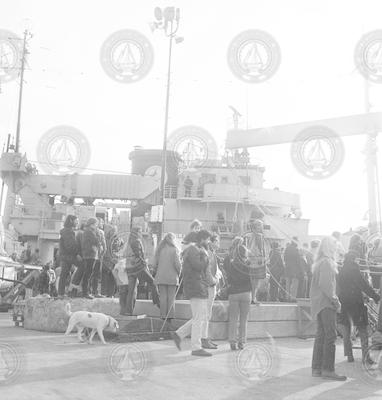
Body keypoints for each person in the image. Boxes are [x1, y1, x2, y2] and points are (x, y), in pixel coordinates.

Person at [337, 234, 380, 364]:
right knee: (362, 329)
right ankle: (366, 356)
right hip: (356, 302)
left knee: (347, 329)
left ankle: (349, 355)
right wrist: (376, 296)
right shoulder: (354, 269)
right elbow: (362, 284)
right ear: (354, 259)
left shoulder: (342, 269)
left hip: (345, 302)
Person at [310, 236, 346, 381]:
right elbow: (327, 285)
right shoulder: (327, 262)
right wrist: (336, 301)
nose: (336, 248)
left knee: (321, 336)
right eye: (334, 245)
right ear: (329, 247)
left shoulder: (320, 261)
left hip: (319, 303)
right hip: (326, 303)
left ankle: (317, 368)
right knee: (330, 336)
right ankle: (328, 369)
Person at [172, 230, 212, 357]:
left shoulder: (193, 250)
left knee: (199, 316)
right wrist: (205, 256)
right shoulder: (194, 250)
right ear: (202, 239)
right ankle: (196, 347)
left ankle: (179, 334)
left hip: (197, 286)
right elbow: (199, 266)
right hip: (196, 286)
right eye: (208, 239)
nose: (209, 242)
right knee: (198, 319)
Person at [125, 227, 160, 315]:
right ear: (137, 232)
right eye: (140, 231)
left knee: (131, 290)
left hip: (129, 269)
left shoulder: (129, 241)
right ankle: (157, 302)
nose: (141, 233)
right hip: (138, 268)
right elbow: (138, 254)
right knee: (152, 282)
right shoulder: (136, 241)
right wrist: (145, 262)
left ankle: (128, 311)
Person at [225, 237, 252, 350]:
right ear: (245, 253)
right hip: (246, 293)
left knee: (233, 318)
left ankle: (232, 341)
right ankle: (241, 342)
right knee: (243, 319)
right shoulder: (248, 264)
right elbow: (252, 279)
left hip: (234, 293)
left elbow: (229, 279)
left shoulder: (232, 264)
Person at [153, 233, 182, 322]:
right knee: (171, 298)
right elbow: (178, 265)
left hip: (161, 277)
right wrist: (179, 272)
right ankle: (169, 318)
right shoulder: (174, 250)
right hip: (172, 277)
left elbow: (154, 264)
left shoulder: (159, 250)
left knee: (163, 297)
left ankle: (162, 316)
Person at [201, 233, 222, 349]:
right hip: (209, 286)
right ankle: (204, 338)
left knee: (206, 314)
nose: (219, 244)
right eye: (217, 241)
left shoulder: (212, 253)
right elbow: (208, 271)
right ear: (212, 242)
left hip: (210, 285)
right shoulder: (209, 253)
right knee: (206, 314)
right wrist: (214, 281)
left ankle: (205, 337)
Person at [58, 215, 81, 298]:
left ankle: (61, 293)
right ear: (71, 221)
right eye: (76, 221)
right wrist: (77, 254)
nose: (77, 223)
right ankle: (74, 287)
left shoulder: (66, 231)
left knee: (64, 274)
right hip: (69, 256)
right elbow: (70, 246)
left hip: (65, 255)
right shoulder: (68, 231)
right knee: (83, 266)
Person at [246, 219, 266, 304]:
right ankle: (253, 297)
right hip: (257, 260)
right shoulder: (259, 236)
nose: (262, 227)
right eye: (260, 226)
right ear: (256, 226)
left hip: (250, 260)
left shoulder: (247, 235)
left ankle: (252, 297)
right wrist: (263, 259)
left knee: (252, 280)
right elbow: (261, 249)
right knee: (255, 281)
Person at [81, 217, 100, 299]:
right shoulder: (89, 231)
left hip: (89, 254)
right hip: (90, 255)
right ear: (92, 224)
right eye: (96, 224)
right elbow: (96, 241)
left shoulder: (88, 231)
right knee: (88, 274)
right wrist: (98, 234)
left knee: (88, 274)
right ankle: (86, 292)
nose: (97, 226)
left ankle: (86, 291)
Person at [90, 218, 106, 298]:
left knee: (92, 273)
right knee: (95, 274)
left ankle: (91, 291)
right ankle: (94, 291)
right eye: (101, 222)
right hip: (97, 255)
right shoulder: (100, 232)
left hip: (93, 255)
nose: (102, 224)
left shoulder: (91, 231)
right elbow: (103, 244)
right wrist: (102, 253)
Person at [101, 224, 118, 297]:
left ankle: (110, 294)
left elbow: (118, 250)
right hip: (106, 261)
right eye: (112, 231)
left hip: (113, 262)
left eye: (114, 231)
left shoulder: (116, 240)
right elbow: (105, 250)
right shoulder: (105, 239)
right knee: (105, 279)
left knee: (112, 279)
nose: (113, 232)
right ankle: (104, 293)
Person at [284, 237, 303, 301]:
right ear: (296, 242)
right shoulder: (295, 249)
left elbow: (284, 259)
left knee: (288, 284)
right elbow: (298, 261)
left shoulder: (287, 248)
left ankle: (287, 297)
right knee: (294, 285)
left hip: (287, 269)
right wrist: (301, 270)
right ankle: (292, 298)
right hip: (295, 270)